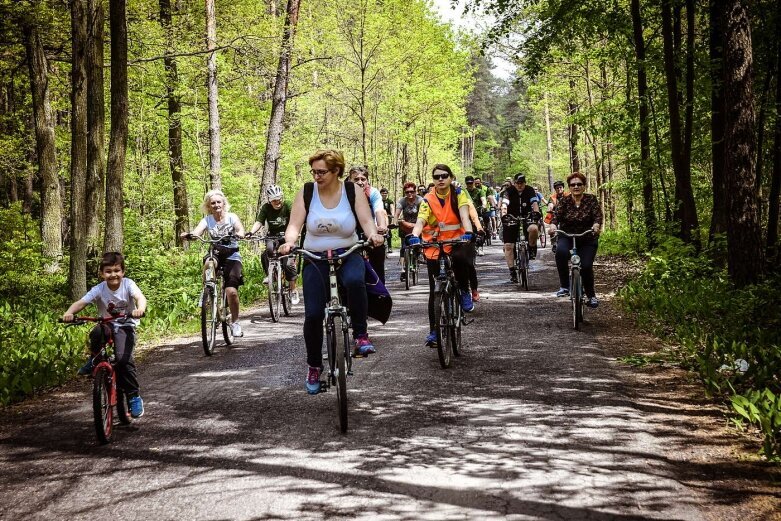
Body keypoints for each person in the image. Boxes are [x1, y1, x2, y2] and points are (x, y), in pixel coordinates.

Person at [279, 150, 384, 394]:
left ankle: (361, 336)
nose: (316, 176)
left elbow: (366, 220)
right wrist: (290, 242)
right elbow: (294, 224)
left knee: (355, 281)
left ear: (336, 171)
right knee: (314, 314)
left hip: (348, 253)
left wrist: (372, 235)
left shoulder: (351, 191)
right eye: (313, 171)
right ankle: (314, 365)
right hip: (315, 257)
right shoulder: (307, 192)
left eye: (321, 171)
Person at [63, 251, 148, 418]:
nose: (113, 275)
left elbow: (140, 297)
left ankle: (133, 396)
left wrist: (140, 309)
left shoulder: (128, 284)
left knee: (123, 360)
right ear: (102, 274)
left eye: (117, 270)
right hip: (107, 324)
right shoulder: (99, 289)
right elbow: (82, 302)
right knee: (96, 332)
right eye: (108, 271)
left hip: (126, 324)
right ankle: (95, 359)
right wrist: (69, 313)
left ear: (123, 272)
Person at [406, 164, 474, 347]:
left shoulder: (459, 194)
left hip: (458, 241)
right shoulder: (427, 199)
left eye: (444, 176)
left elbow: (465, 216)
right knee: (434, 290)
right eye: (437, 177)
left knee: (461, 259)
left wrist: (468, 232)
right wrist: (414, 236)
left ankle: (464, 290)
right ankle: (434, 331)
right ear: (433, 180)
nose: (441, 179)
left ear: (451, 177)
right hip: (434, 245)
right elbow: (420, 221)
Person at [181, 189, 246, 337]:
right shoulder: (207, 220)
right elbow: (198, 231)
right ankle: (207, 290)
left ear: (223, 203)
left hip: (232, 255)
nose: (216, 205)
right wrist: (190, 235)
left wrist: (239, 234)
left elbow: (240, 228)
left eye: (218, 202)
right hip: (215, 253)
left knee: (231, 292)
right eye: (213, 203)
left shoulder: (231, 217)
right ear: (209, 206)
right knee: (209, 263)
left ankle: (235, 322)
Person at [548, 172, 603, 307]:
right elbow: (556, 217)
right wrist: (553, 226)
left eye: (579, 184)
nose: (576, 187)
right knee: (560, 252)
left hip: (587, 237)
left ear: (584, 186)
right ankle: (565, 286)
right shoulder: (564, 201)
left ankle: (591, 296)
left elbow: (597, 216)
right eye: (573, 185)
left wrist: (596, 225)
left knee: (586, 266)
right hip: (567, 236)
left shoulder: (591, 199)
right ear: (569, 187)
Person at [249, 184, 299, 305]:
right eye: (274, 200)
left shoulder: (287, 205)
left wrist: (296, 232)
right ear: (270, 200)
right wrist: (250, 232)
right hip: (272, 236)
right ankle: (271, 276)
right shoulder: (266, 208)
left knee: (288, 263)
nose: (278, 202)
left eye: (279, 199)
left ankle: (293, 289)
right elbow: (259, 221)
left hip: (288, 236)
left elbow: (295, 219)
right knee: (268, 252)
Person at [348, 165, 389, 283]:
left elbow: (379, 211)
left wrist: (381, 226)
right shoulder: (343, 192)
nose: (360, 182)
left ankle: (380, 287)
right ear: (349, 180)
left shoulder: (373, 193)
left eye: (363, 179)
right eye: (356, 179)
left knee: (378, 248)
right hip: (348, 229)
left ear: (367, 181)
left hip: (369, 228)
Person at [500, 174, 541, 282]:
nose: (519, 185)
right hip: (511, 217)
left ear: (524, 183)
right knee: (508, 245)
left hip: (527, 216)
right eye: (517, 183)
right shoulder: (508, 191)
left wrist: (536, 213)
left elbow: (534, 203)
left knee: (534, 229)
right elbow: (504, 204)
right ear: (514, 183)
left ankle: (532, 247)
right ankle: (512, 271)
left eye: (521, 183)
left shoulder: (530, 190)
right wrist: (504, 214)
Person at [395, 181, 424, 282]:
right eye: (407, 192)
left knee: (418, 245)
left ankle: (417, 257)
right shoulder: (402, 201)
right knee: (404, 248)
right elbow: (397, 213)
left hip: (418, 225)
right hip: (406, 227)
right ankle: (403, 269)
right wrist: (394, 222)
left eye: (412, 191)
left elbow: (425, 213)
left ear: (415, 192)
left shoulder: (420, 200)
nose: (410, 194)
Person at [545, 180, 567, 252]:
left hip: (566, 216)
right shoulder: (553, 197)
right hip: (555, 215)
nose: (559, 189)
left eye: (560, 187)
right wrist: (550, 208)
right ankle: (554, 243)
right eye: (557, 188)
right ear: (555, 189)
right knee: (552, 229)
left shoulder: (568, 195)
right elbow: (550, 204)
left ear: (563, 188)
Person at [379, 187, 394, 253]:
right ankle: (381, 246)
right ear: (380, 194)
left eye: (385, 193)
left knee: (388, 231)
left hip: (388, 218)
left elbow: (392, 208)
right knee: (381, 231)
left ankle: (390, 247)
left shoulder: (389, 201)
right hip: (380, 217)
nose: (384, 194)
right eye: (383, 193)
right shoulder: (378, 201)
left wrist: (392, 215)